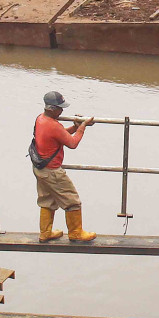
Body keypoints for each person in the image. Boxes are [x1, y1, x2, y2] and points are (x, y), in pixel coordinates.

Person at [33, 91, 96, 243]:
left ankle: (45, 233)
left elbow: (60, 135)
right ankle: (76, 233)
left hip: (40, 169)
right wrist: (83, 127)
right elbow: (72, 143)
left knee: (47, 199)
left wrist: (75, 127)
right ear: (52, 109)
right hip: (52, 172)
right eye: (60, 108)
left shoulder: (40, 120)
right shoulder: (53, 125)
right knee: (72, 200)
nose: (62, 111)